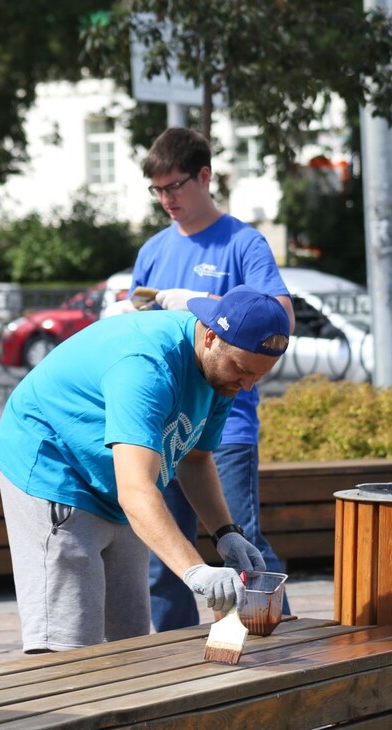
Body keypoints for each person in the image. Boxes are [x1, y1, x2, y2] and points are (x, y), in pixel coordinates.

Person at [0, 286, 289, 652]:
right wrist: (197, 571)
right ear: (211, 336)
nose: (246, 386)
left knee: (129, 640)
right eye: (242, 370)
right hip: (57, 468)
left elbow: (195, 458)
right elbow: (136, 492)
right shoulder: (147, 369)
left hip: (122, 482)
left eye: (259, 376)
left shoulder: (222, 375)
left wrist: (225, 533)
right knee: (69, 647)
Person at [129, 127, 296, 632]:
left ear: (205, 177)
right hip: (165, 426)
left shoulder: (243, 243)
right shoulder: (154, 249)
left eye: (175, 186)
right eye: (157, 191)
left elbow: (282, 316)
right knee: (166, 558)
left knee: (242, 546)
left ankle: (276, 645)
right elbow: (141, 324)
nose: (166, 200)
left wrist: (205, 306)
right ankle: (175, 665)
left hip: (226, 426)